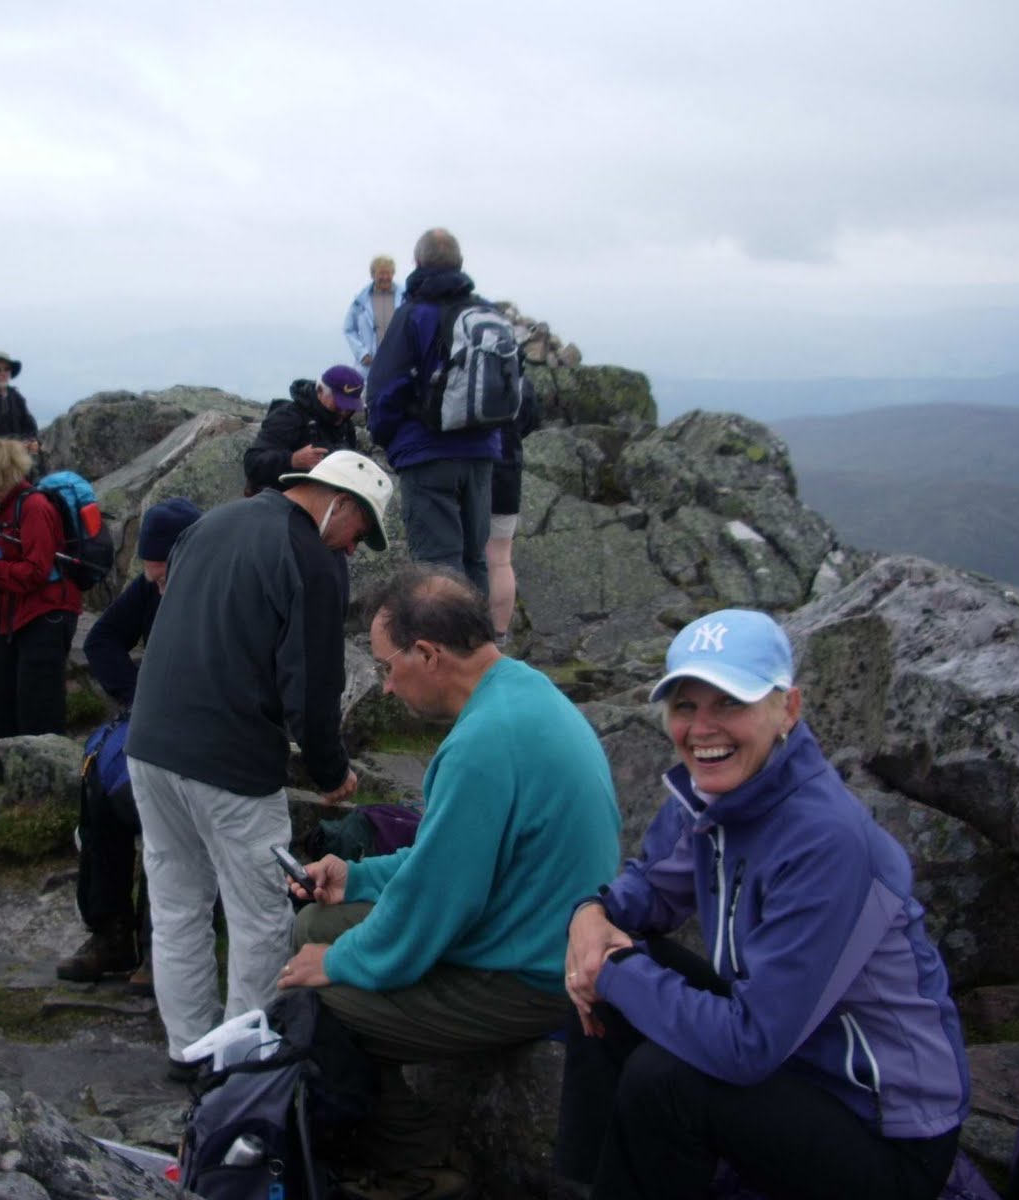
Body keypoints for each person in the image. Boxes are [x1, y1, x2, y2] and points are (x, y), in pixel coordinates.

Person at [561, 608, 970, 1200]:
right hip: (795, 1060)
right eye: (684, 706)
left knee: (664, 1078)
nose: (703, 729)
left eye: (730, 703)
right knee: (598, 968)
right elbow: (648, 890)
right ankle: (594, 1182)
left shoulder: (826, 841)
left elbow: (747, 1047)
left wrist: (616, 967)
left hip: (884, 1133)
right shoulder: (714, 796)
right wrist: (589, 917)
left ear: (788, 710)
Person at [277, 565, 622, 1200]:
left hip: (533, 973)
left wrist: (343, 961)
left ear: (429, 654)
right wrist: (356, 875)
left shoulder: (482, 746)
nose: (382, 685)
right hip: (529, 929)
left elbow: (441, 903)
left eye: (385, 666)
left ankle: (414, 1165)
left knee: (313, 999)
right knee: (314, 921)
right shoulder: (521, 694)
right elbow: (445, 859)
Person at [126, 449, 394, 1079]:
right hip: (231, 761)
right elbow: (313, 683)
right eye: (363, 532)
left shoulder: (217, 521)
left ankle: (187, 1049)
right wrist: (331, 773)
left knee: (177, 905)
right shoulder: (313, 559)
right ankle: (239, 1065)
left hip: (151, 746)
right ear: (341, 504)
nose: (356, 548)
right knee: (260, 916)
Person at [55, 497, 203, 988]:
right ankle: (111, 933)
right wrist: (141, 695)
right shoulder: (151, 586)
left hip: (205, 733)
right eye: (151, 575)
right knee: (101, 784)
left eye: (164, 576)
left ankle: (161, 945)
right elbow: (102, 641)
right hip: (153, 719)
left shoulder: (218, 592)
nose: (157, 585)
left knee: (167, 816)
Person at [366, 228, 501, 593]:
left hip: (427, 454)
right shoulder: (485, 313)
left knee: (437, 566)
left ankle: (444, 646)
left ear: (417, 263)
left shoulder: (413, 316)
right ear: (459, 263)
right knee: (475, 560)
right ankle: (478, 643)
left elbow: (384, 388)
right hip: (482, 453)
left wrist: (387, 439)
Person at [0, 438, 82, 783]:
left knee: (37, 697)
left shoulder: (35, 507)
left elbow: (37, 572)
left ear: (2, 472)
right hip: (10, 611)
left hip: (46, 611)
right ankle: (2, 764)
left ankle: (45, 778)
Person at [242, 365, 364, 495]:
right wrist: (292, 460)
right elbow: (252, 463)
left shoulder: (345, 426)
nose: (344, 412)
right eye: (339, 404)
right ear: (320, 390)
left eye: (350, 407)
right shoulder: (289, 417)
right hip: (282, 501)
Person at [485, 376, 540, 645]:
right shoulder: (522, 382)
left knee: (465, 556)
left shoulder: (472, 367)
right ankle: (498, 633)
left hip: (472, 468)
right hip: (508, 474)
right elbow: (530, 421)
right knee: (500, 559)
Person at [343, 254, 404, 370]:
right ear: (372, 275)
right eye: (381, 273)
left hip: (398, 362)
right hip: (370, 364)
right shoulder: (360, 302)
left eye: (388, 273)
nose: (385, 277)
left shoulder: (406, 297)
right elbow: (349, 329)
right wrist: (362, 353)